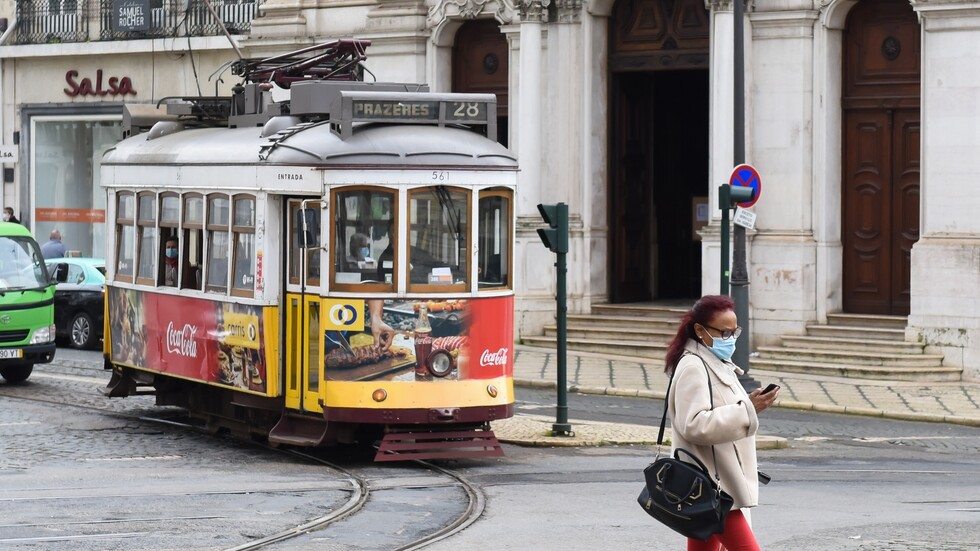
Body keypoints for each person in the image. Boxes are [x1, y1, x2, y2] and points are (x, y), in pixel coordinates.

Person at [663, 295, 779, 551]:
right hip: (715, 487)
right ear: (700, 330)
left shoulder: (715, 362)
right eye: (724, 332)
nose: (731, 338)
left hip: (712, 486)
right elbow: (693, 425)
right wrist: (748, 410)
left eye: (734, 332)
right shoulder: (694, 367)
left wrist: (748, 405)